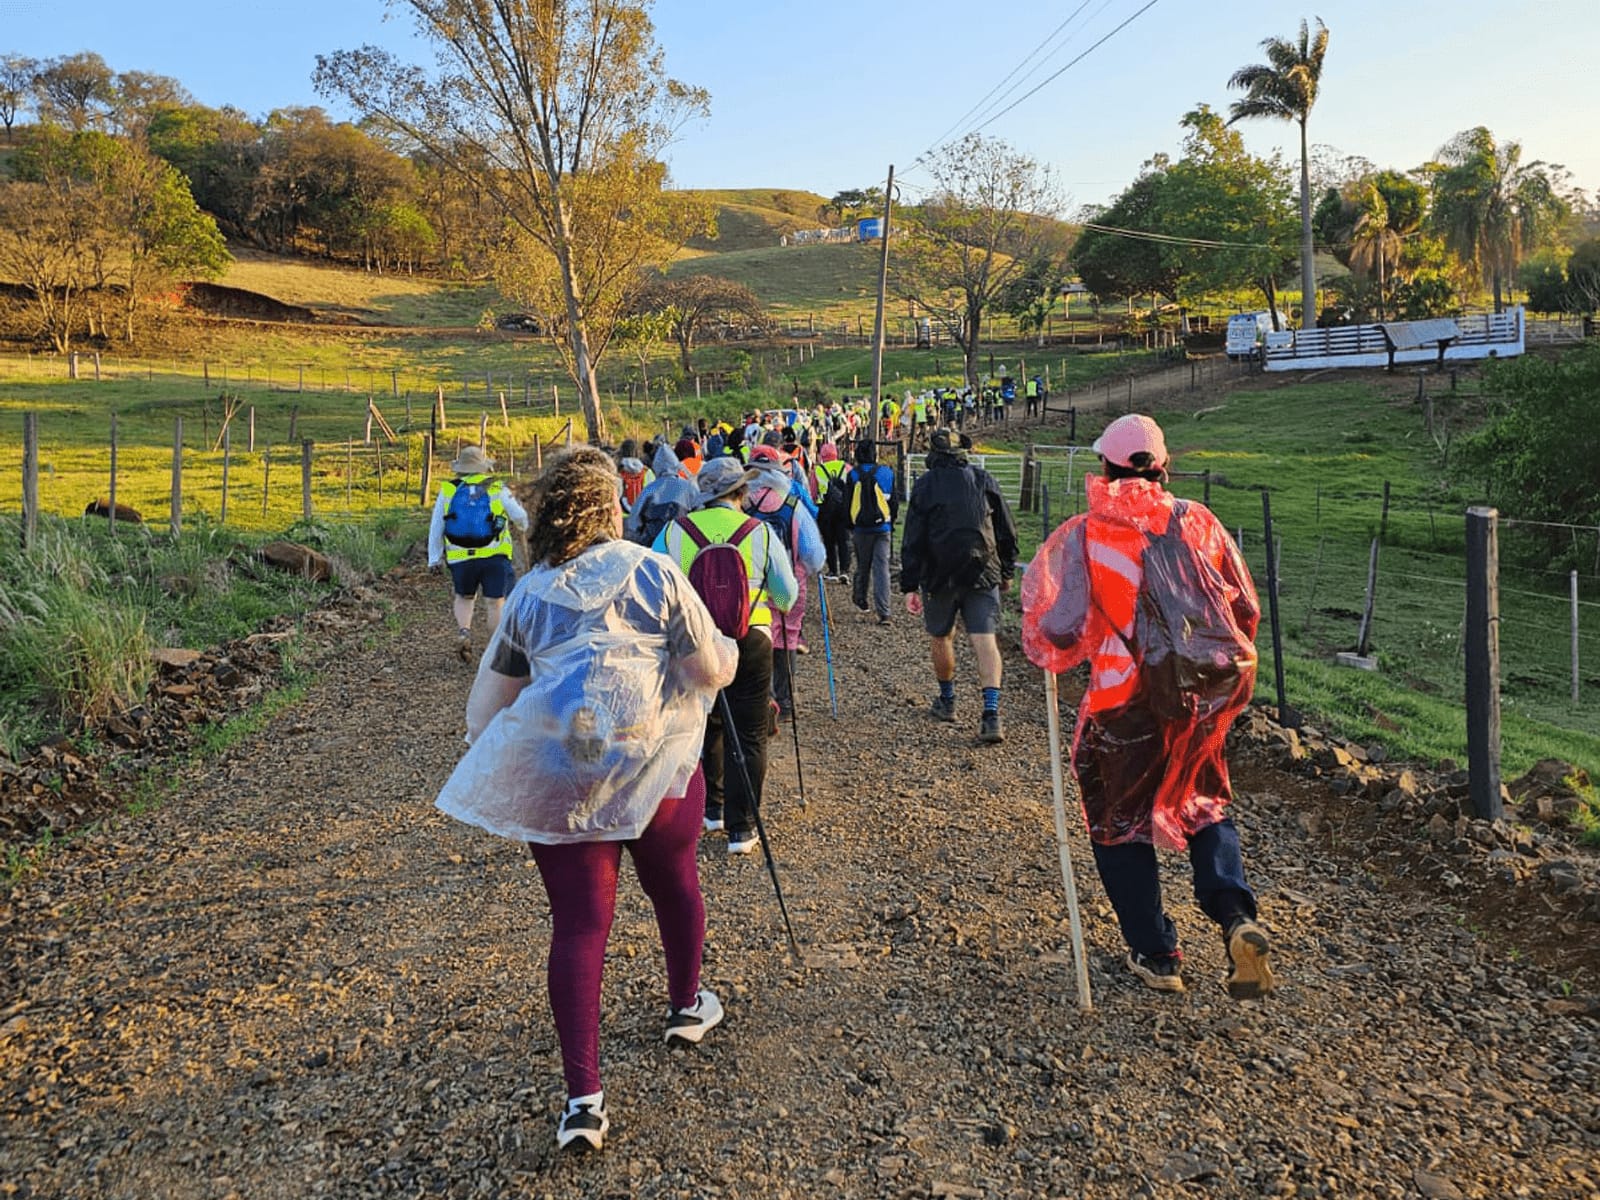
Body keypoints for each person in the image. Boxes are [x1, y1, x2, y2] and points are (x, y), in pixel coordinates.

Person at [435, 448, 738, 1153]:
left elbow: (487, 708)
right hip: (657, 770)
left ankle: (583, 1101)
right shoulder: (654, 571)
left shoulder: (532, 595)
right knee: (675, 885)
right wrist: (727, 653)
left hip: (566, 779)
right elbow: (702, 667)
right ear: (611, 506)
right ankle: (687, 1005)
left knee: (578, 927)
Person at [1020, 413, 1274, 1000]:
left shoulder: (1088, 535)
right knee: (1203, 802)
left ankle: (1157, 952)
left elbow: (1059, 630)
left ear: (1105, 469)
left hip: (1120, 705)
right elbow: (1243, 612)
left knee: (1118, 826)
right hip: (1194, 702)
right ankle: (1235, 915)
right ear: (1163, 467)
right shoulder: (1199, 522)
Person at [654, 457, 798, 855]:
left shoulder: (673, 532)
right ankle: (742, 828)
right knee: (751, 735)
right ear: (741, 493)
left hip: (695, 640)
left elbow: (654, 591)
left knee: (705, 724)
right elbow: (787, 597)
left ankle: (712, 809)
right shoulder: (761, 533)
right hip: (751, 637)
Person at [900, 430, 1018, 744]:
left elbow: (913, 536)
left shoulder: (925, 486)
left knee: (941, 636)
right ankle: (991, 714)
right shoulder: (984, 479)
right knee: (985, 640)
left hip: (939, 575)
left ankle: (947, 701)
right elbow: (1006, 528)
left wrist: (910, 583)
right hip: (983, 570)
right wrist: (1006, 569)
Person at [428, 444, 529, 661]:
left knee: (464, 597)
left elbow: (437, 526)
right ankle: (495, 651)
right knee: (495, 602)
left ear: (461, 469)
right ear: (483, 468)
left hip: (460, 556)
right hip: (494, 554)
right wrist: (523, 527)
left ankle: (464, 632)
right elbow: (519, 516)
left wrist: (434, 558)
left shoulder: (448, 490)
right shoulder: (496, 488)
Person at [748, 446, 825, 717]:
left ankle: (761, 699)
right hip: (790, 582)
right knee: (788, 637)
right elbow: (814, 557)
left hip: (753, 585)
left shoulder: (743, 505)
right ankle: (786, 699)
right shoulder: (794, 507)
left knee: (758, 635)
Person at [846, 439, 898, 624]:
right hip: (882, 526)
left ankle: (860, 597)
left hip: (861, 528)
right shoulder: (886, 473)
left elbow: (847, 503)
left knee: (863, 565)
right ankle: (885, 612)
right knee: (882, 568)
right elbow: (894, 501)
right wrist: (892, 521)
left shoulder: (853, 475)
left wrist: (850, 526)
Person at [814, 442, 852, 581]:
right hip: (843, 507)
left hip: (825, 509)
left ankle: (832, 570)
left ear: (822, 455)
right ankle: (845, 569)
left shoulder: (818, 470)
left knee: (829, 540)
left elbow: (813, 491)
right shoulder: (846, 467)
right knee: (844, 538)